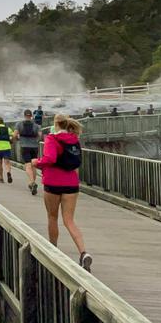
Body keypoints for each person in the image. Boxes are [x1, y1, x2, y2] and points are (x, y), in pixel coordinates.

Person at [35, 114, 92, 271]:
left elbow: (50, 159)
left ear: (55, 124)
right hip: (71, 184)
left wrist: (36, 163)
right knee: (69, 221)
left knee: (52, 217)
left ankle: (53, 250)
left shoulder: (52, 138)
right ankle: (83, 252)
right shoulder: (74, 139)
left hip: (53, 182)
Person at [13, 109, 41, 194]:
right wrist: (36, 141)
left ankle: (32, 182)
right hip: (35, 147)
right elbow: (40, 135)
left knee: (28, 165)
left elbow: (14, 135)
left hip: (24, 146)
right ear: (31, 116)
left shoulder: (19, 124)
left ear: (24, 115)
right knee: (34, 166)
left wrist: (17, 139)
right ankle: (32, 183)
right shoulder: (36, 125)